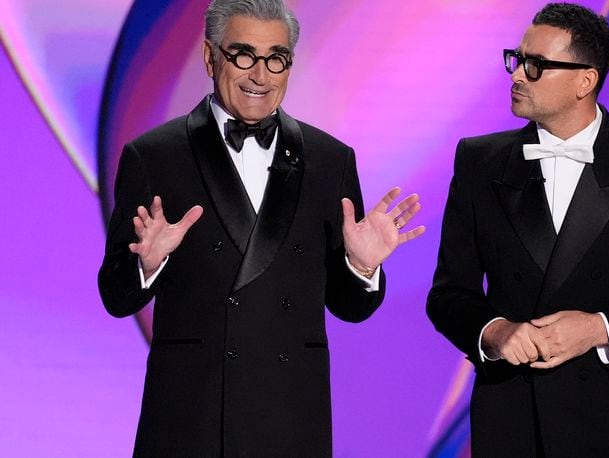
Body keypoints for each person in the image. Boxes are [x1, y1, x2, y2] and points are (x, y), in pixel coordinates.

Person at [98, 0, 424, 455]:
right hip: (191, 418)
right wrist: (146, 266)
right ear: (211, 57)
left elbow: (349, 308)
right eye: (244, 55)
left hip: (291, 417)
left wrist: (361, 268)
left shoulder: (330, 161)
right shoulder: (154, 156)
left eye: (276, 58)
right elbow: (116, 297)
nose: (261, 75)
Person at [426, 3, 609, 457]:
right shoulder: (479, 161)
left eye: (536, 65)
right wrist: (495, 331)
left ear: (586, 81)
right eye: (517, 59)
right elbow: (448, 295)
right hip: (512, 419)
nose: (517, 75)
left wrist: (599, 329)